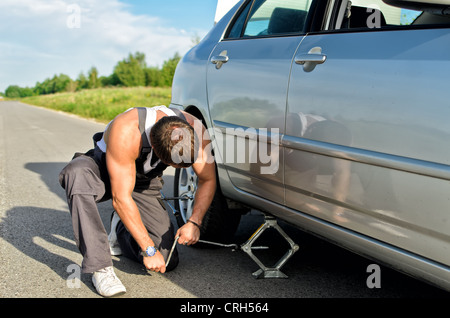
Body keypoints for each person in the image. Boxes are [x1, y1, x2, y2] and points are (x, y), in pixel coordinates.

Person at [59, 105, 216, 297]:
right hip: (104, 171)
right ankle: (100, 268)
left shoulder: (196, 128)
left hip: (144, 180)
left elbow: (207, 179)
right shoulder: (126, 130)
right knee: (77, 175)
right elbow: (121, 197)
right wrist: (149, 250)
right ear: (155, 149)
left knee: (167, 260)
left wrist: (194, 222)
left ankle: (121, 228)